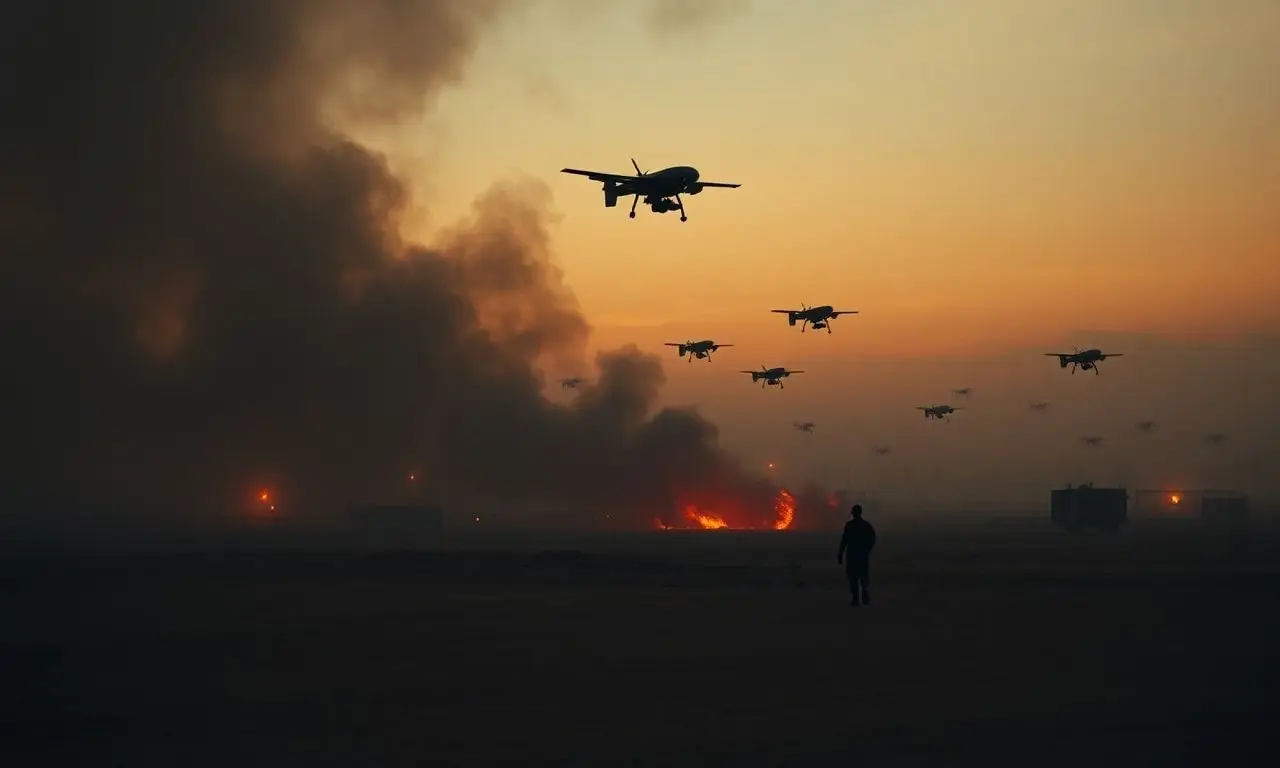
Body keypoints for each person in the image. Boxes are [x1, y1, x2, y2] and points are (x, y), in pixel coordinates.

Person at [837, 504, 877, 607]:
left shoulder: (859, 525)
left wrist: (866, 549)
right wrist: (841, 553)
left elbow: (872, 539)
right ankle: (857, 597)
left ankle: (861, 595)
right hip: (856, 555)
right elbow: (844, 540)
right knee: (854, 577)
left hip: (857, 554)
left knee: (859, 577)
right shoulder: (855, 525)